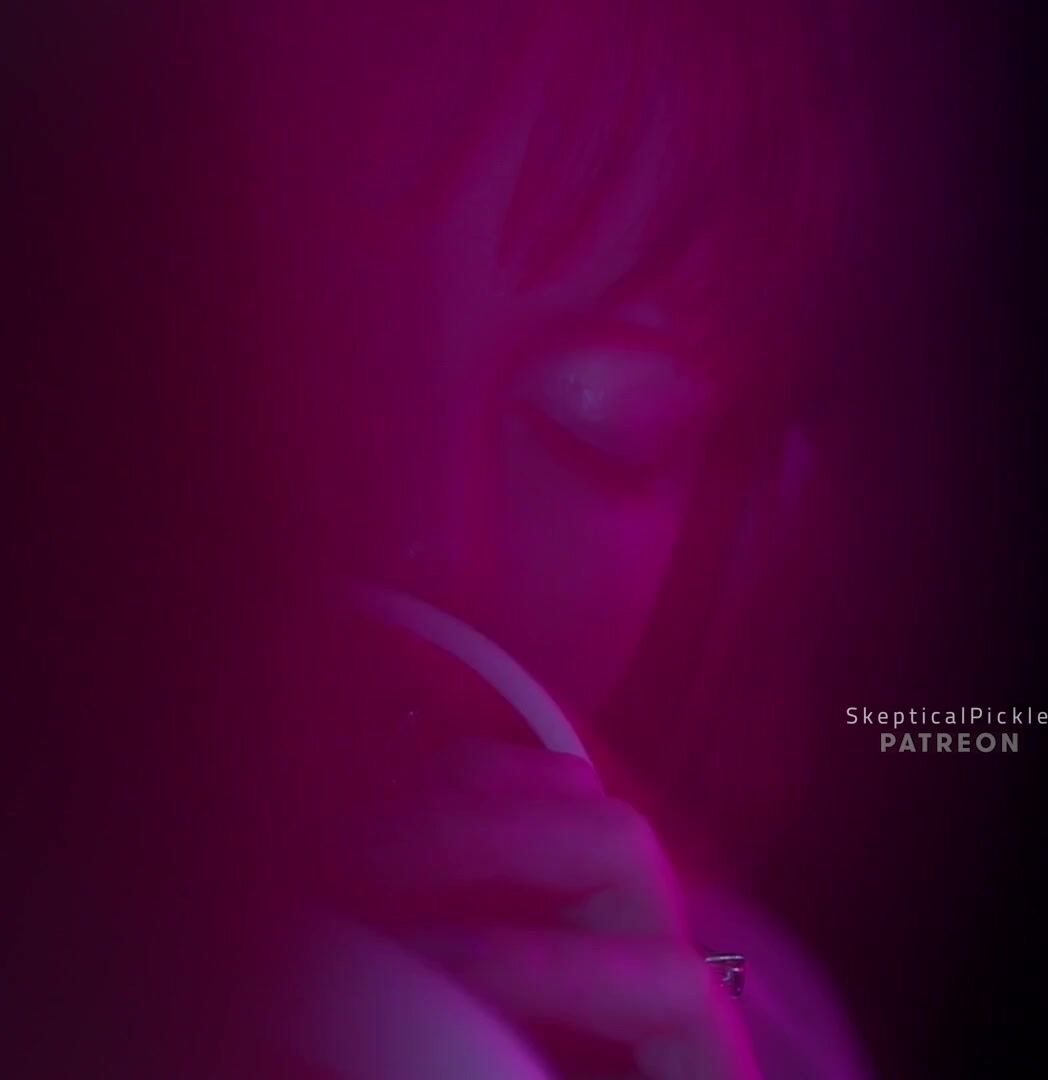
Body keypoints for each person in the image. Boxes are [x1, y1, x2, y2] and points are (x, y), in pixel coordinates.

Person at [210, 2, 879, 1076]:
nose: (434, 539)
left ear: (734, 528)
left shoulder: (744, 1011)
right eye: (322, 364)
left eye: (598, 424)